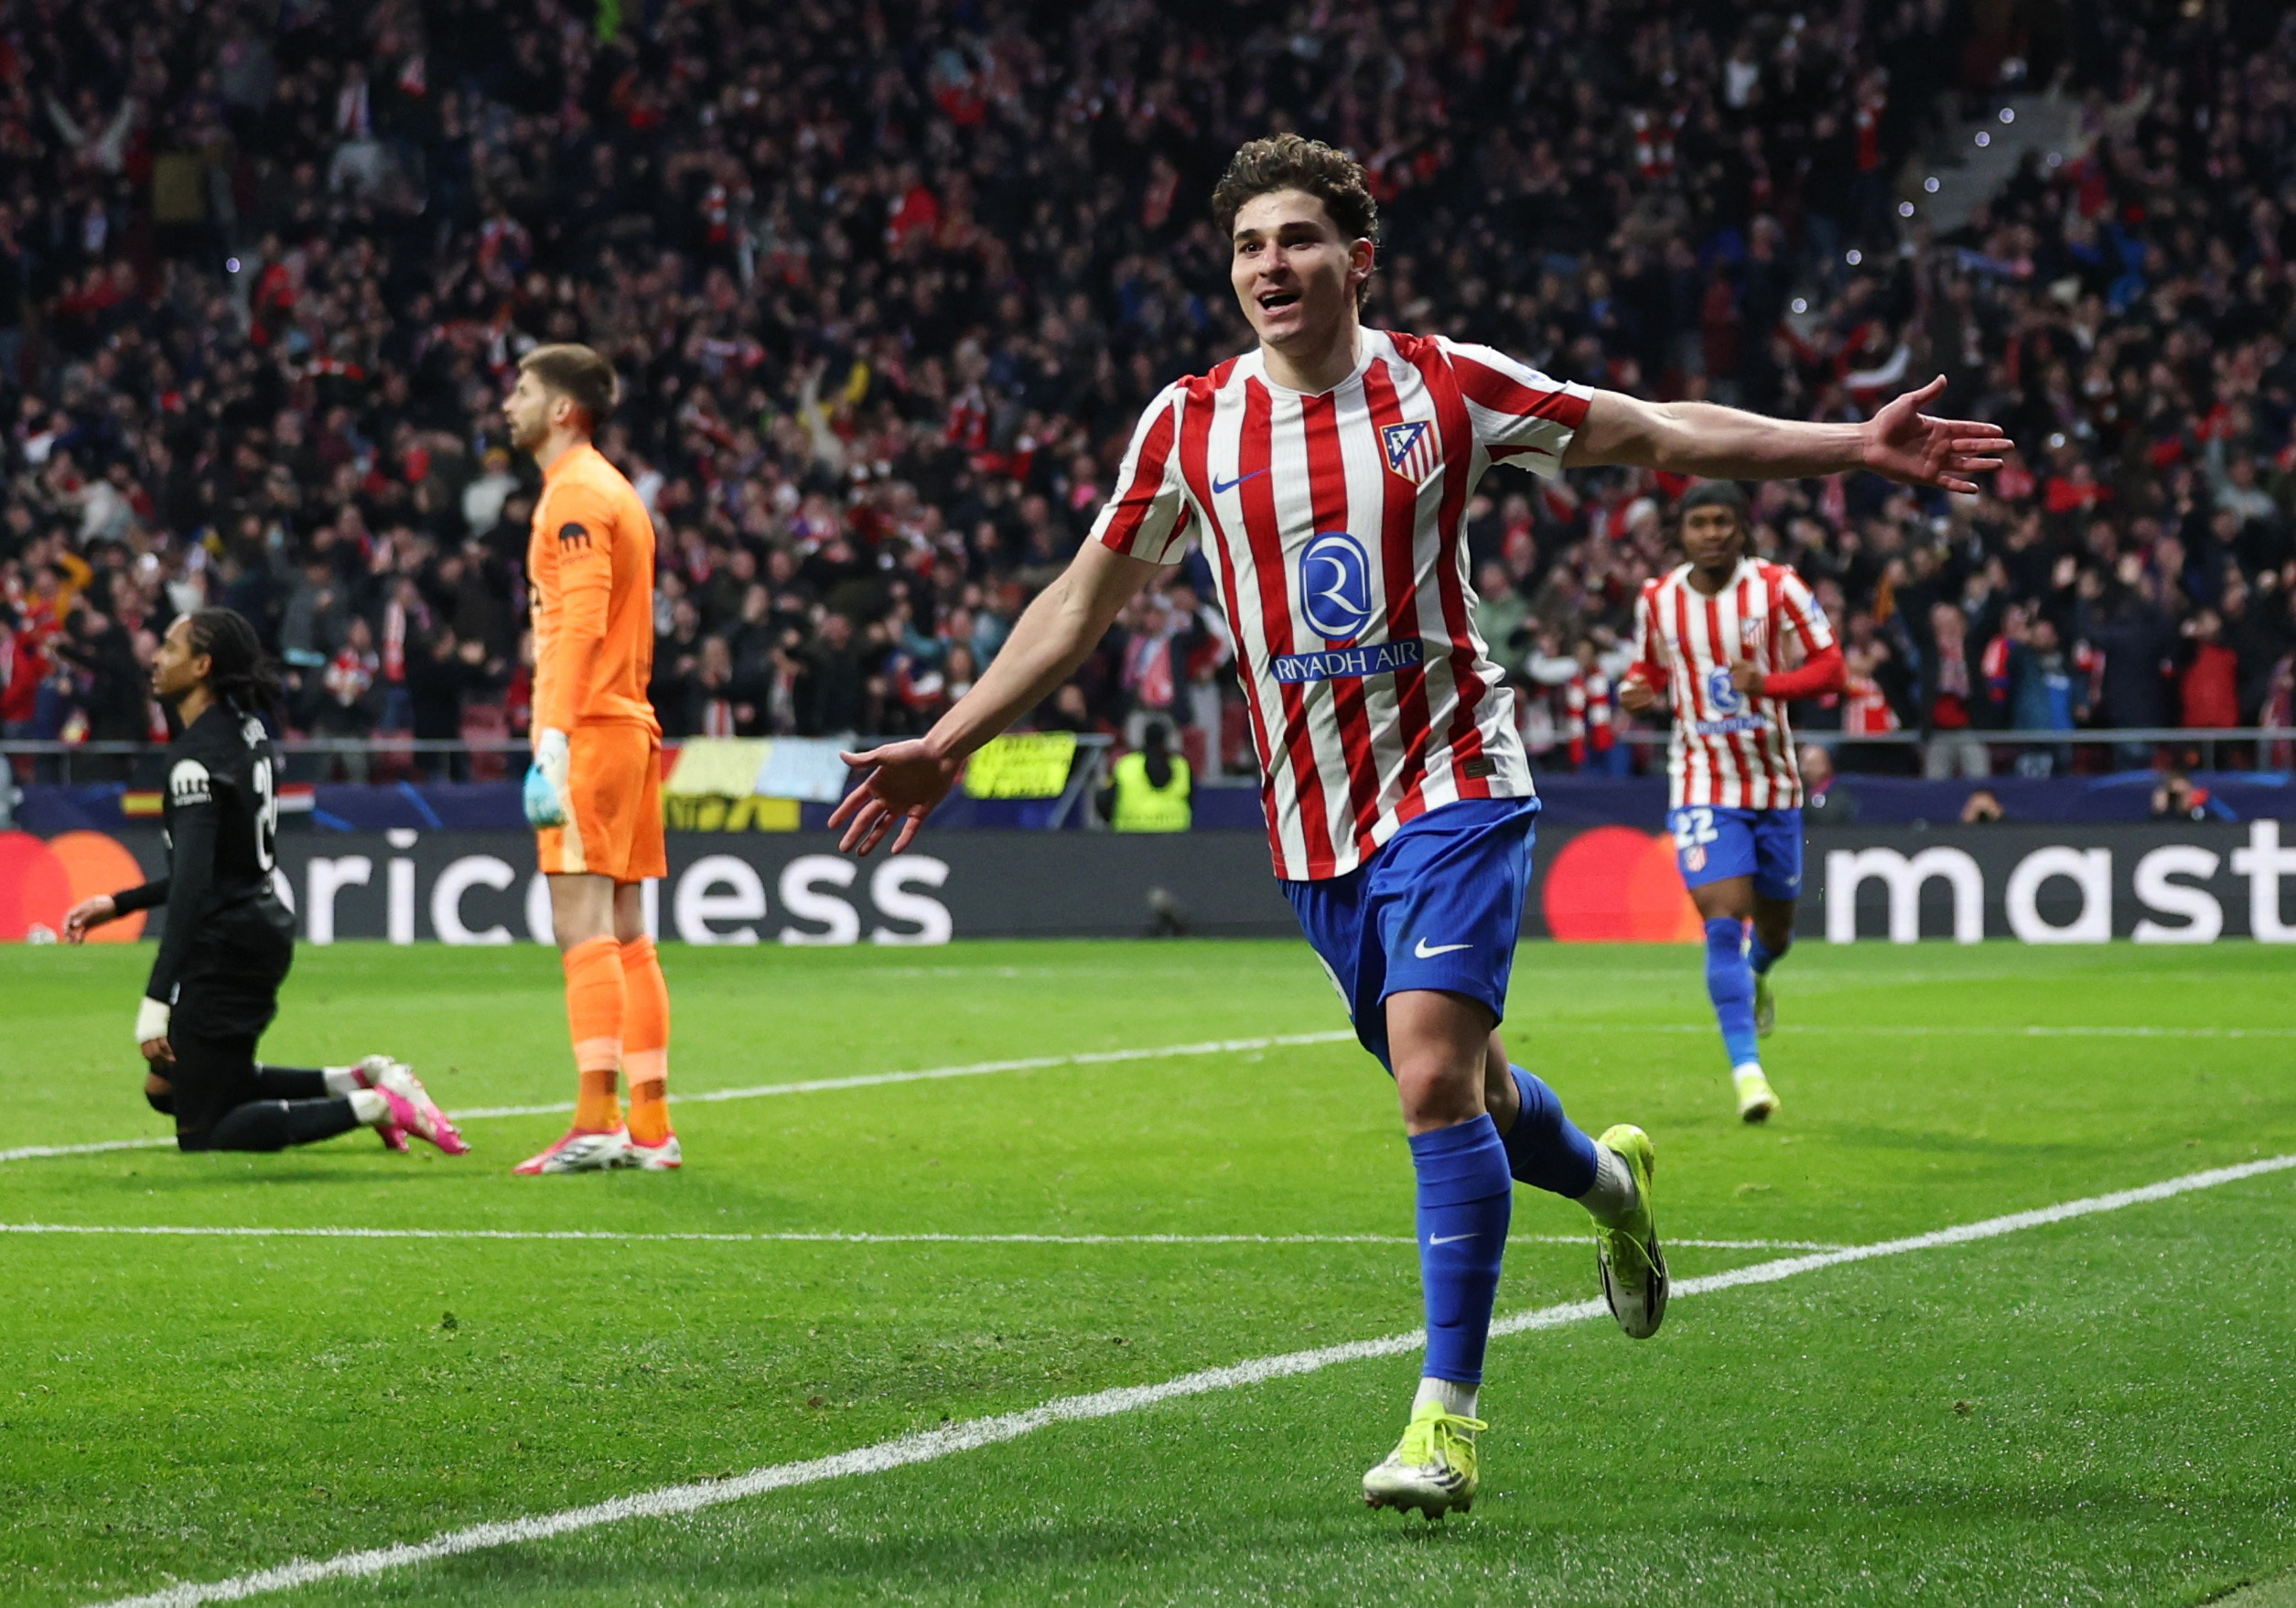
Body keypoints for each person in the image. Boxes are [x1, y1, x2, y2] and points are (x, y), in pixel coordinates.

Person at [827, 135, 2008, 1519]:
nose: (1273, 264)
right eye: (1250, 245)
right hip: (1312, 826)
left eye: (1300, 240)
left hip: (1452, 780)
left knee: (1429, 1083)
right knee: (1482, 1096)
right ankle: (1612, 1186)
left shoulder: (1444, 384)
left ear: (1356, 260)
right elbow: (1081, 602)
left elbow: (1654, 429)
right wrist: (949, 740)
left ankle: (1443, 1421)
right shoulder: (1189, 423)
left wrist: (1851, 446)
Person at [59, 608, 466, 1157]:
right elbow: (217, 866)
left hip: (228, 944)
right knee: (168, 1086)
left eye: (171, 649)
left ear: (202, 666)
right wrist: (120, 902)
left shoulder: (193, 761)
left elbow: (195, 885)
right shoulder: (245, 731)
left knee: (205, 1131)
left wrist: (157, 997)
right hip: (257, 924)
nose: (155, 657)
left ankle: (373, 1106)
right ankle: (359, 1080)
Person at [1620, 483, 1849, 1125]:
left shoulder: (1777, 587)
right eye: (1698, 523)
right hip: (1700, 780)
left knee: (1774, 932)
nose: (1711, 533)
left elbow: (1832, 669)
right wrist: (1638, 691)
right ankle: (1748, 1074)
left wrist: (1769, 682)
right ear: (1681, 532)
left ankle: (1758, 974)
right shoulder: (1657, 598)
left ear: (1741, 529)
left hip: (1773, 785)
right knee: (1723, 919)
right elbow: (1651, 671)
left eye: (1723, 521)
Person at [505, 342, 679, 1174]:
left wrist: (551, 741)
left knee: (579, 925)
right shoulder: (618, 492)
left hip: (593, 730)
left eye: (523, 388)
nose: (510, 403)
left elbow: (575, 625)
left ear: (563, 408)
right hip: (631, 724)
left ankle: (595, 1120)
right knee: (626, 929)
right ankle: (650, 1126)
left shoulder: (574, 493)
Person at [1104, 720, 1192, 831]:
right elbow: (1191, 800)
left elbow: (1106, 801)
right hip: (1175, 833)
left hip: (1130, 834)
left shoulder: (1127, 764)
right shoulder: (1181, 765)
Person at [1799, 743, 1859, 826]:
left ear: (1825, 765)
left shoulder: (1839, 793)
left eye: (1811, 764)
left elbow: (1829, 819)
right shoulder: (1799, 791)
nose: (1804, 769)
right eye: (1802, 764)